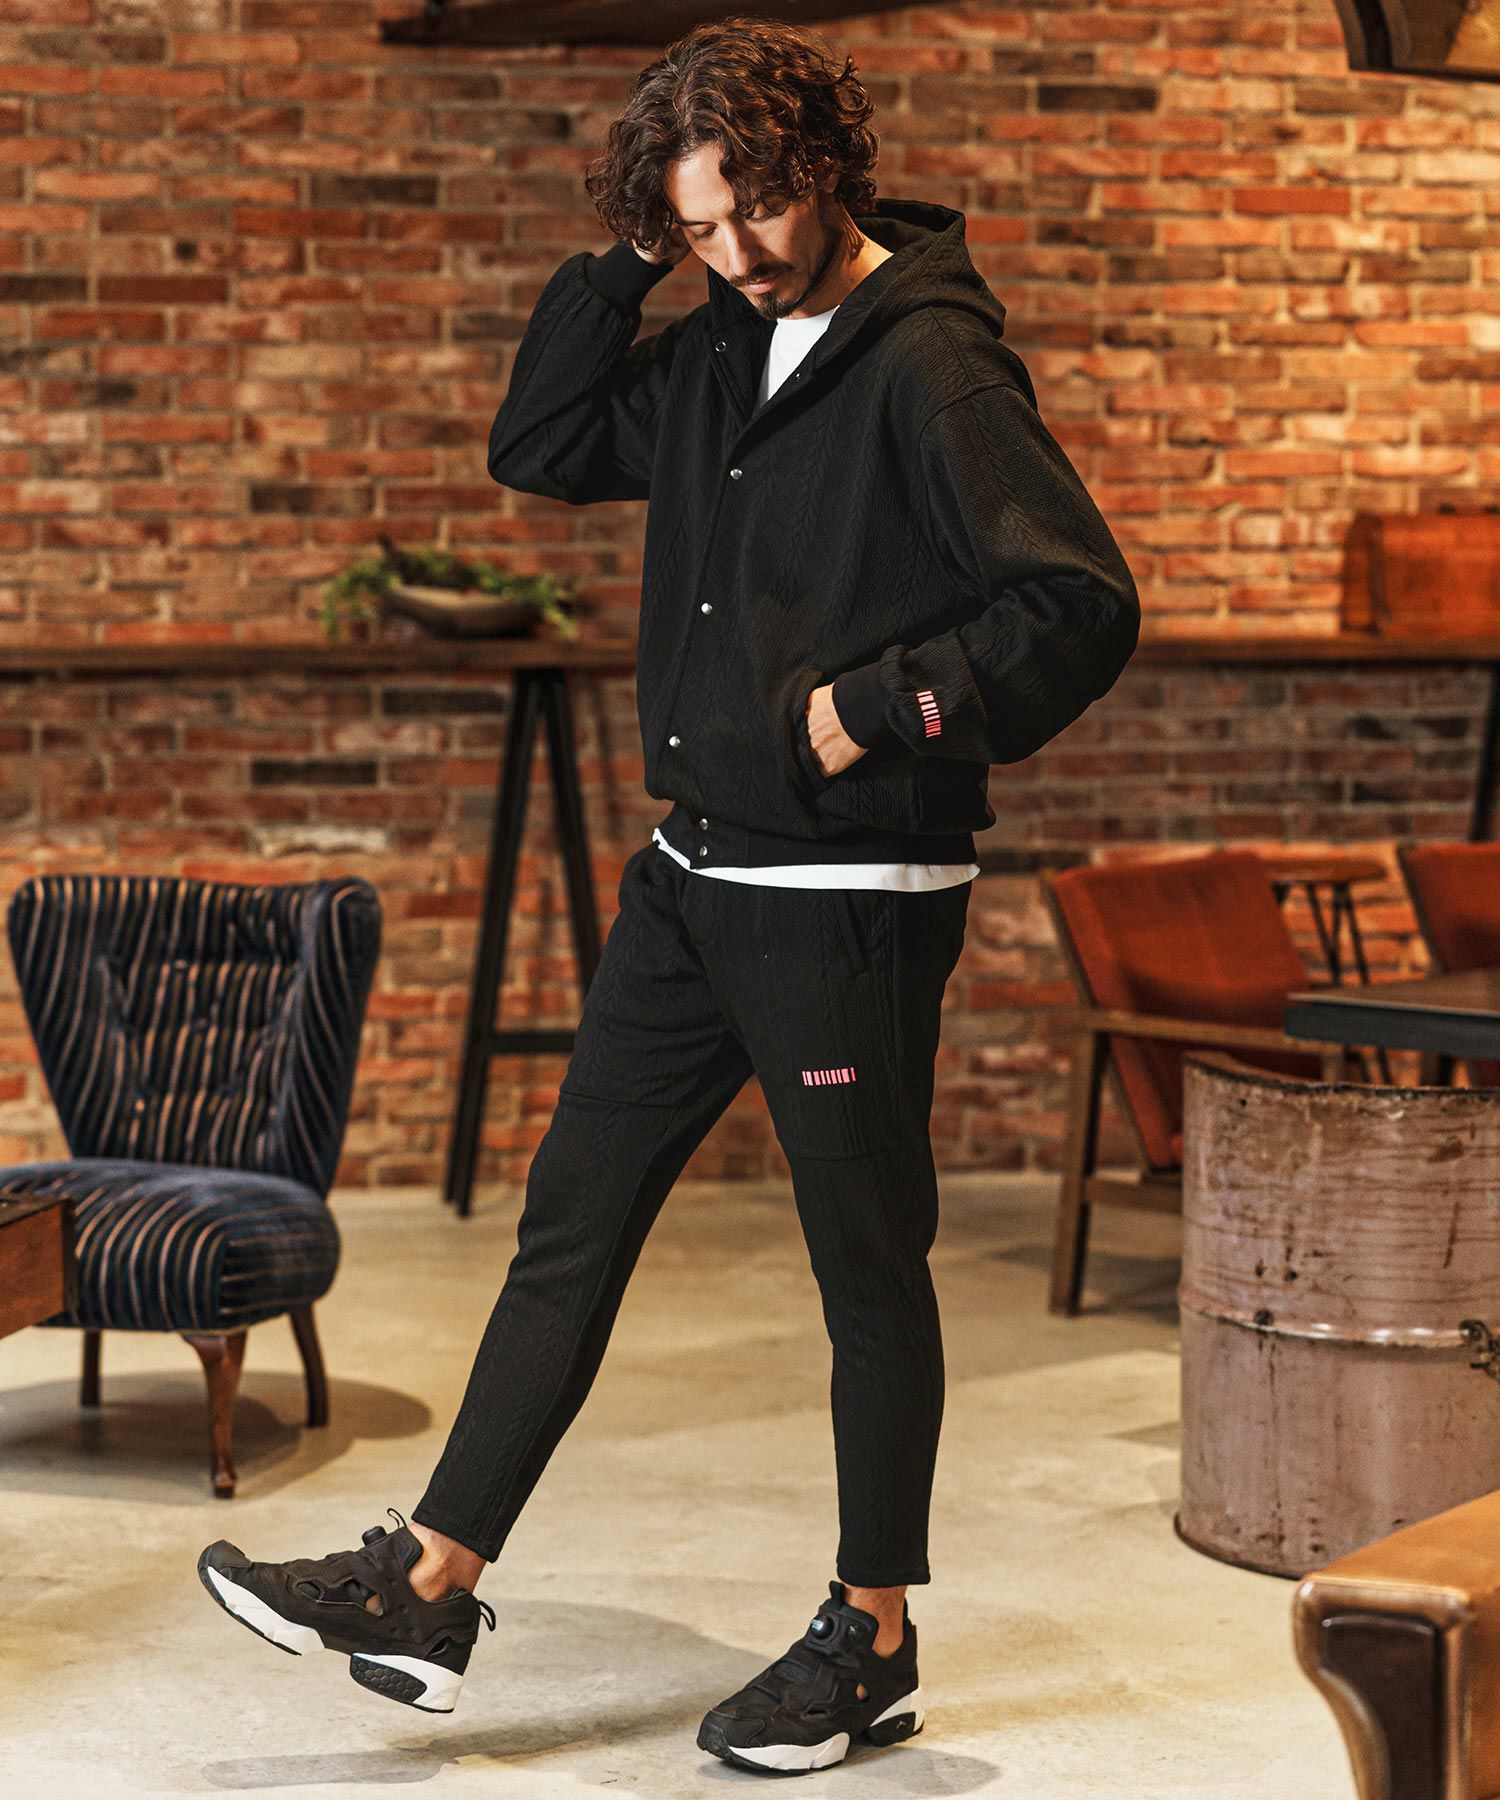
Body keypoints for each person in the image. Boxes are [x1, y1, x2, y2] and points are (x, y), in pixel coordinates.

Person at [196, 13, 1139, 1777]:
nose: (740, 253)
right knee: (569, 1226)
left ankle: (871, 1635)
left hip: (845, 892)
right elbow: (540, 440)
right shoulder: (717, 339)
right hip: (694, 873)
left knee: (867, 1267)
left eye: (756, 211)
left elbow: (1078, 602)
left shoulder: (930, 361)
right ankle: (428, 1586)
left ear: (827, 169)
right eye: (699, 227)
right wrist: (635, 252)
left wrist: (880, 710)